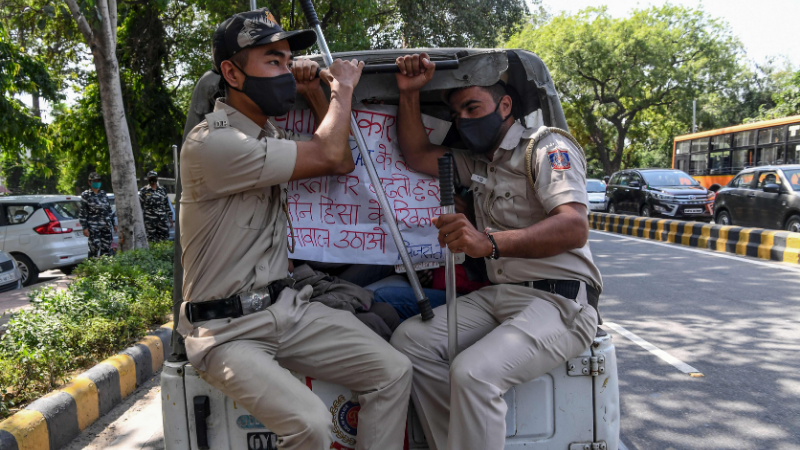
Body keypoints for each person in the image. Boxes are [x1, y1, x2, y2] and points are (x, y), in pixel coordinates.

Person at [176, 9, 412, 450]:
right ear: (231, 71)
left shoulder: (269, 135)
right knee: (311, 424)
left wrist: (318, 94)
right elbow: (326, 154)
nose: (285, 71)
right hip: (227, 331)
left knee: (393, 371)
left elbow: (339, 160)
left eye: (289, 60)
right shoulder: (215, 143)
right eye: (272, 61)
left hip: (285, 309)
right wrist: (341, 89)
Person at [389, 52, 603, 450]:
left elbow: (574, 225)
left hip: (559, 301)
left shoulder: (544, 147)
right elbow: (416, 152)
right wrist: (409, 93)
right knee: (409, 343)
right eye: (458, 114)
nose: (464, 120)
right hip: (502, 295)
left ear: (504, 106)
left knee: (473, 373)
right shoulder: (477, 163)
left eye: (473, 107)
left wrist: (487, 243)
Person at [79, 172, 116, 258]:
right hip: (93, 227)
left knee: (106, 248)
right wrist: (84, 228)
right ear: (90, 182)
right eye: (95, 180)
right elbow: (83, 212)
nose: (97, 182)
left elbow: (109, 209)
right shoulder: (86, 195)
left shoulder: (103, 194)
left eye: (99, 180)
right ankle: (92, 267)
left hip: (106, 226)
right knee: (94, 248)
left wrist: (114, 223)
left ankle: (105, 268)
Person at [138, 170, 172, 243]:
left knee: (164, 240)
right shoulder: (144, 191)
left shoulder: (162, 190)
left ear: (157, 178)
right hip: (150, 221)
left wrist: (170, 217)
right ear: (148, 179)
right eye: (151, 178)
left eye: (154, 177)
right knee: (151, 240)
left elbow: (166, 204)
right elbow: (139, 206)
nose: (152, 179)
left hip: (162, 220)